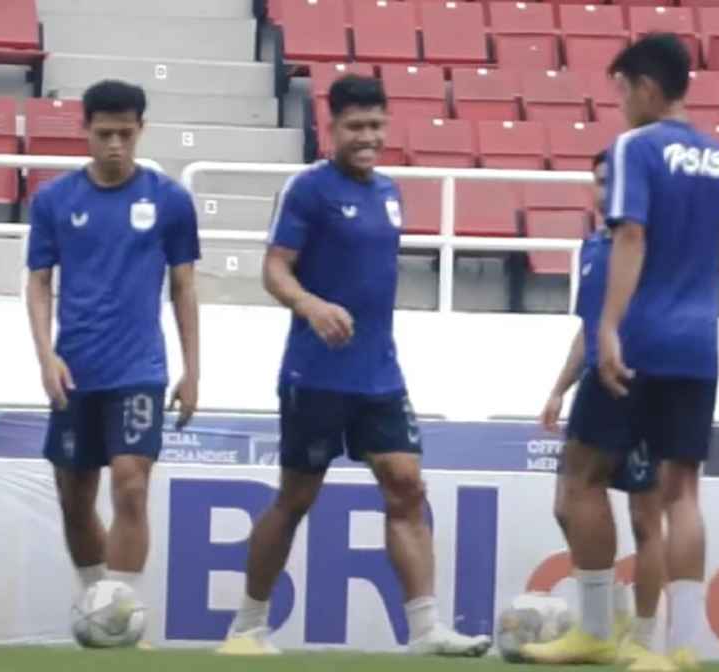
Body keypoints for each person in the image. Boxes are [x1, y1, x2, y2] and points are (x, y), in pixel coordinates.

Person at [217, 74, 491, 658]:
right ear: (330, 128)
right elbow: (274, 269)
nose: (367, 137)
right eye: (355, 127)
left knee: (407, 486)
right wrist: (310, 304)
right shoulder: (307, 191)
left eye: (375, 125)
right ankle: (246, 628)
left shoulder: (390, 192)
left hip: (380, 375)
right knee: (295, 499)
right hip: (315, 375)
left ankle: (424, 631)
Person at [524, 33, 719, 672]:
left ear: (645, 86)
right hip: (699, 342)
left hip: (639, 340)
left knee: (580, 479)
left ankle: (596, 630)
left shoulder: (633, 149)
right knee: (683, 493)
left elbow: (630, 235)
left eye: (621, 89)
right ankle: (682, 650)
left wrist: (611, 327)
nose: (618, 104)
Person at [26, 80, 201, 627]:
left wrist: (193, 369)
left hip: (139, 370)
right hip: (75, 369)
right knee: (74, 500)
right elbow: (37, 283)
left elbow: (184, 287)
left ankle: (120, 614)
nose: (116, 145)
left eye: (126, 133)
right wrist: (44, 357)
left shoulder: (169, 200)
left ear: (141, 130)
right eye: (104, 134)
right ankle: (98, 605)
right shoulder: (54, 200)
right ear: (85, 131)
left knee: (131, 483)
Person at [536, 150, 666, 666]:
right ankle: (605, 622)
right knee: (568, 503)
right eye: (597, 182)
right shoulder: (591, 248)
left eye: (612, 182)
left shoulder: (649, 247)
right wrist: (558, 388)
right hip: (596, 379)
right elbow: (588, 328)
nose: (604, 191)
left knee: (645, 517)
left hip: (644, 381)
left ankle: (643, 639)